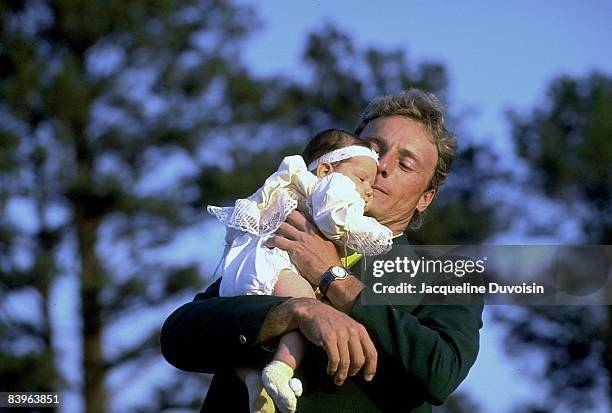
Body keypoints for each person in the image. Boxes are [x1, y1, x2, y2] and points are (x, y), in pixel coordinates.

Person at [161, 89, 484, 413]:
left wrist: (334, 278)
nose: (382, 166)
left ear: (425, 198)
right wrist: (293, 312)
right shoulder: (284, 230)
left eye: (405, 163)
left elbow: (440, 371)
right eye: (372, 149)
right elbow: (179, 336)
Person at [206, 129, 393, 413]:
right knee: (306, 308)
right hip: (275, 265)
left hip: (239, 273)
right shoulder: (331, 188)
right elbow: (336, 217)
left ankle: (252, 381)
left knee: (241, 350)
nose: (371, 185)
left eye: (405, 164)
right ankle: (282, 368)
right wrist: (371, 231)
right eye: (363, 178)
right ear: (327, 170)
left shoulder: (437, 272)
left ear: (427, 196)